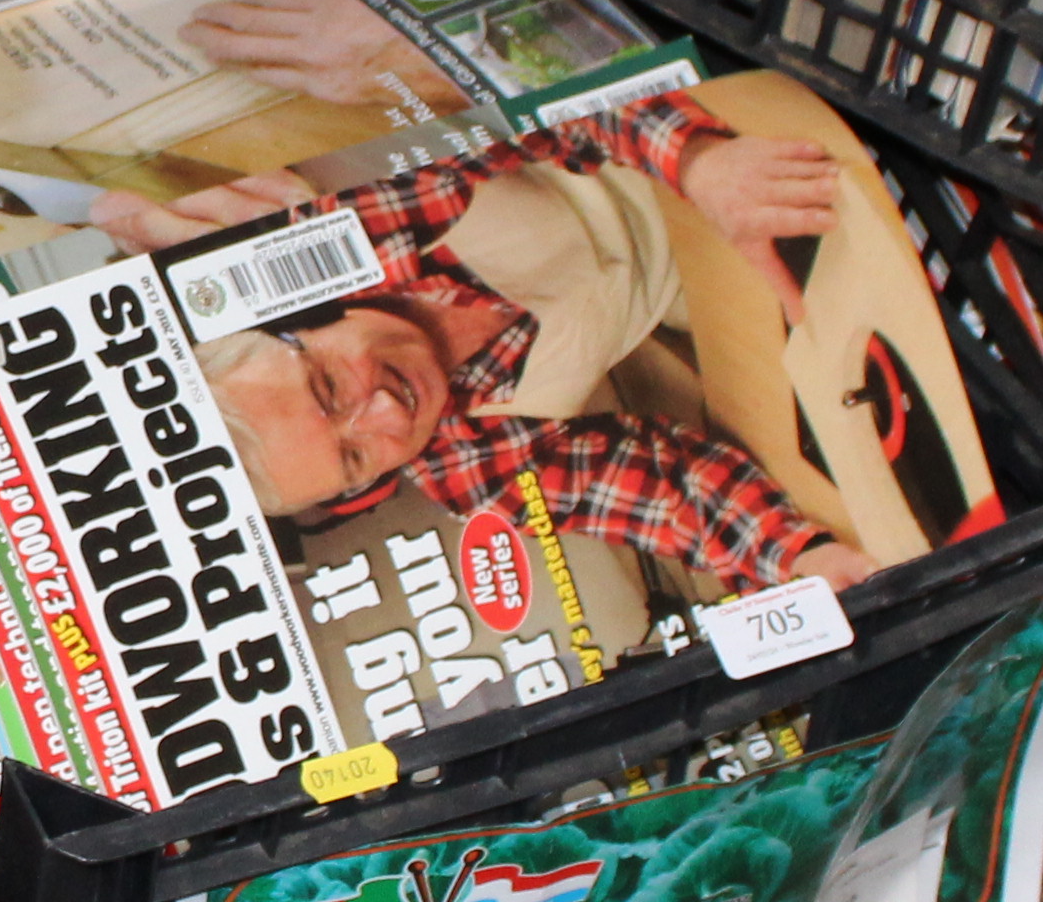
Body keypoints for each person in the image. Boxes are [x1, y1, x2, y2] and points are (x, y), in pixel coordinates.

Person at [105, 65, 876, 609]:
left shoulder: (365, 219)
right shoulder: (470, 470)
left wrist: (700, 164)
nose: (384, 414)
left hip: (704, 124)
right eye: (355, 456)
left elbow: (567, 97)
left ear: (294, 317)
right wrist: (795, 555)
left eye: (329, 389)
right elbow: (662, 489)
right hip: (711, 284)